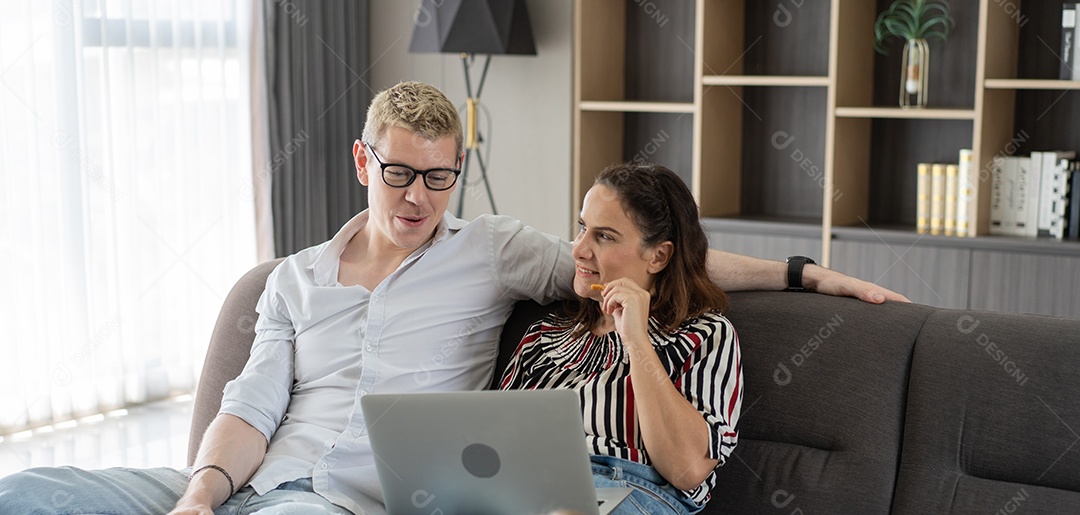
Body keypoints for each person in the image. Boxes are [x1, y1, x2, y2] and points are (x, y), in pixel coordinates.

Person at [0, 81, 906, 515]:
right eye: (398, 174)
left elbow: (661, 264)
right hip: (247, 480)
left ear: (456, 173)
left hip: (340, 502)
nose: (417, 200)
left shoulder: (497, 252)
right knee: (32, 492)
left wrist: (803, 272)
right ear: (365, 162)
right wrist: (199, 494)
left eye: (438, 179)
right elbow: (249, 405)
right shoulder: (295, 280)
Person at [500, 162, 740, 514]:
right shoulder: (546, 335)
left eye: (604, 236)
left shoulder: (703, 335)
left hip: (632, 490)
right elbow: (494, 440)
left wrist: (636, 340)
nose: (579, 249)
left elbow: (687, 469)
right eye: (582, 227)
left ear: (658, 256)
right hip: (530, 488)